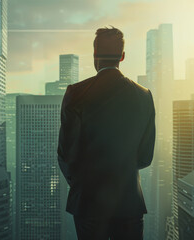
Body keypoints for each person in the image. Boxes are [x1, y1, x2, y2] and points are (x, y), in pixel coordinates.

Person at [57, 27, 156, 240]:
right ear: (122, 56)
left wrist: (84, 184)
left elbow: (66, 155)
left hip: (88, 203)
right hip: (129, 204)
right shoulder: (143, 95)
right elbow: (146, 157)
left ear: (95, 55)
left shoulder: (75, 94)